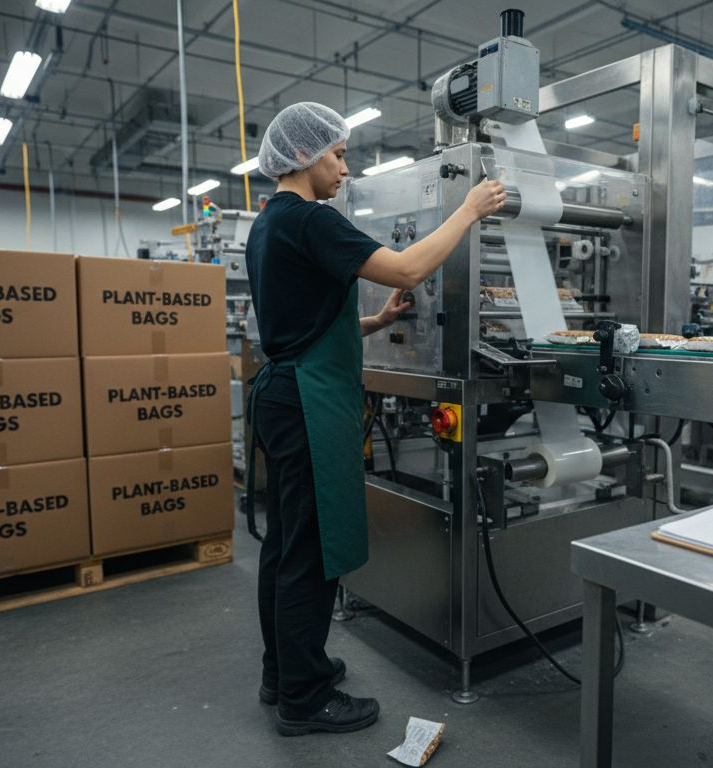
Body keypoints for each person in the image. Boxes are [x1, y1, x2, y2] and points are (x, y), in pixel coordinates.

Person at [244, 102, 505, 736]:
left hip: (282, 389)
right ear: (305, 157)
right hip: (307, 400)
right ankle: (304, 702)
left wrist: (379, 322)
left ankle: (285, 670)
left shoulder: (269, 223)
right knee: (308, 548)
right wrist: (467, 210)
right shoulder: (312, 219)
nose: (345, 166)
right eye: (337, 154)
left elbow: (299, 325)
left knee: (284, 544)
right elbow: (409, 266)